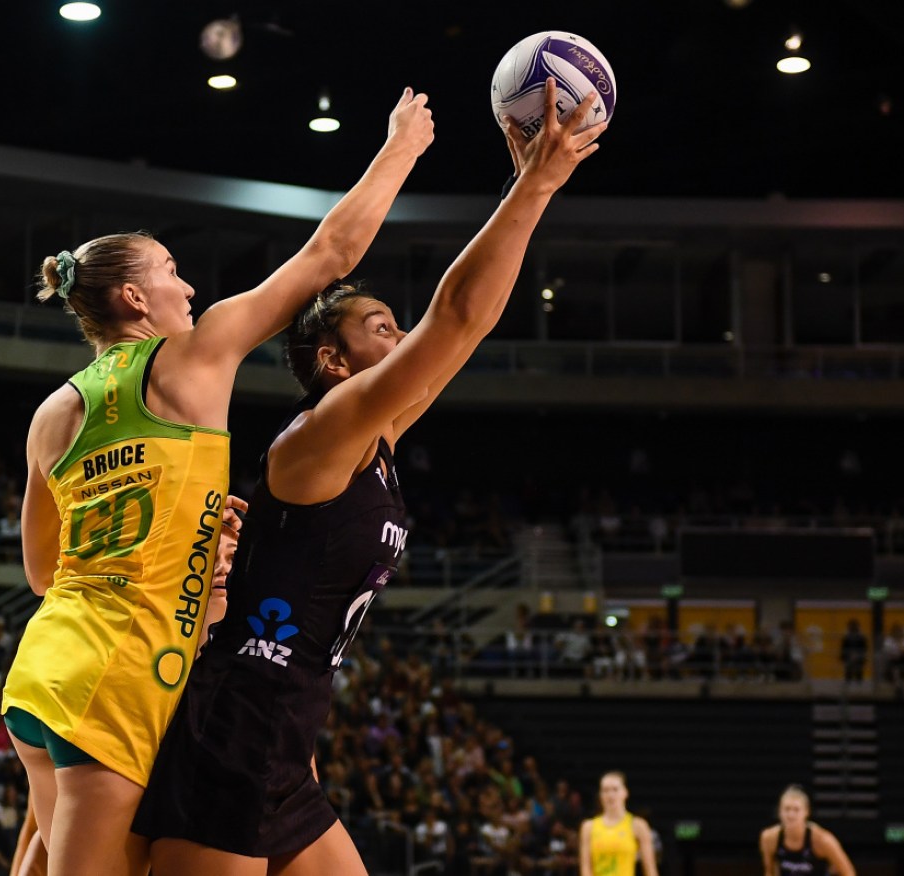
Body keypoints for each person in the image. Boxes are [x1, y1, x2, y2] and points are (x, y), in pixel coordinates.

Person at [134, 78, 605, 875]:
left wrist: (531, 190)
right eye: (381, 329)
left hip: (287, 732)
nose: (401, 339)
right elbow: (451, 319)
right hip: (238, 725)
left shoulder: (375, 435)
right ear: (332, 362)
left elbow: (466, 329)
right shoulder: (321, 435)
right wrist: (536, 183)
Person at [0, 88, 436, 876]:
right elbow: (328, 258)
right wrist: (400, 147)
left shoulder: (51, 413)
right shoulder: (191, 359)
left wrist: (190, 533)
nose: (188, 288)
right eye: (170, 273)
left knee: (42, 854)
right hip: (122, 670)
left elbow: (42, 571)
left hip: (44, 668)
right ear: (134, 298)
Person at [760, 785, 855, 876]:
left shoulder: (822, 840)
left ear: (806, 812)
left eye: (796, 810)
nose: (791, 815)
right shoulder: (769, 838)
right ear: (779, 812)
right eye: (787, 809)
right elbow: (769, 871)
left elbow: (849, 873)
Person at [580, 771, 658, 876]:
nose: (610, 795)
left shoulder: (638, 825)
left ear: (625, 792)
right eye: (605, 790)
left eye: (615, 789)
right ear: (600, 795)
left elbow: (650, 870)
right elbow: (585, 869)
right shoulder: (588, 827)